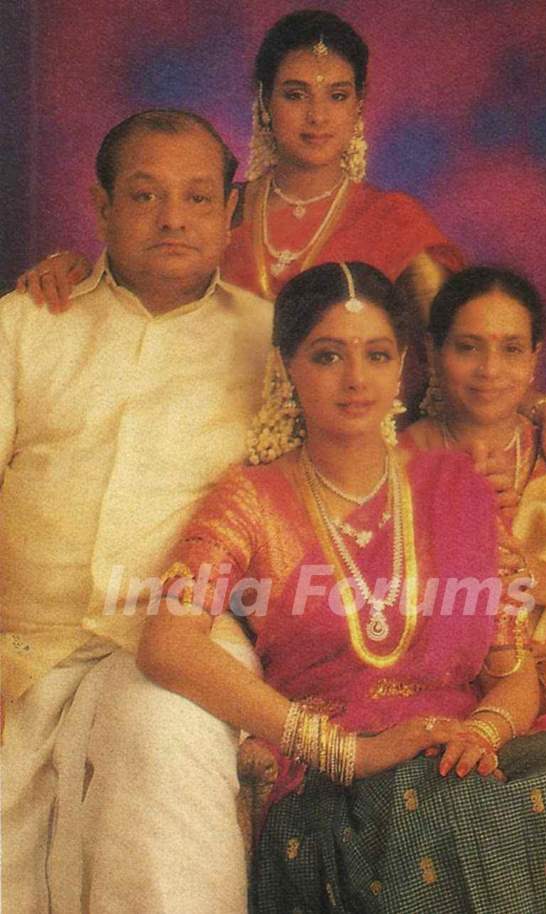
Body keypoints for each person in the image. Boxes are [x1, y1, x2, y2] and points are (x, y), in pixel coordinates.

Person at [137, 261, 546, 913]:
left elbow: (512, 671)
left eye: (375, 355)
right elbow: (168, 643)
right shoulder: (249, 500)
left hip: (464, 752)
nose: (354, 379)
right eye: (327, 356)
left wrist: (481, 732)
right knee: (439, 808)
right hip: (335, 776)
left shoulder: (454, 486)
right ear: (288, 365)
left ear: (401, 365)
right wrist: (343, 751)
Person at [14, 10, 546, 496]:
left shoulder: (395, 222)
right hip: (198, 472)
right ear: (265, 104)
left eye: (336, 96)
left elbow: (469, 347)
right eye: (296, 95)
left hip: (355, 473)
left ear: (358, 106)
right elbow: (136, 293)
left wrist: (545, 408)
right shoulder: (212, 209)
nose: (317, 116)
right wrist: (73, 268)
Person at [0, 109, 274, 914]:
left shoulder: (275, 341)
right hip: (21, 641)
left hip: (181, 640)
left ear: (229, 214)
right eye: (146, 195)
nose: (173, 218)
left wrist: (541, 414)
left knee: (163, 739)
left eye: (197, 197)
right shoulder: (25, 324)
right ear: (101, 208)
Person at [404, 265, 546, 755]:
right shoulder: (391, 467)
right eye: (468, 347)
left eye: (511, 349)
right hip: (449, 706)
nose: (490, 371)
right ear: (433, 352)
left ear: (534, 360)